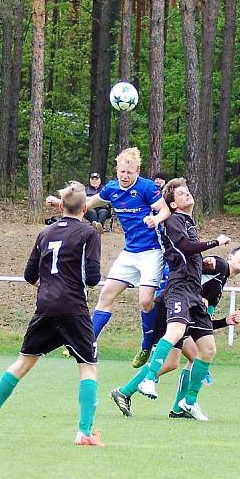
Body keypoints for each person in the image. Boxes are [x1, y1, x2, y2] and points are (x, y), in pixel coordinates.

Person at [0, 181, 105, 446]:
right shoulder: (89, 233)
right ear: (85, 208)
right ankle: (84, 432)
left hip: (45, 308)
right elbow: (92, 278)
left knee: (22, 363)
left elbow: (29, 276)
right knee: (88, 368)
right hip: (74, 309)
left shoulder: (45, 233)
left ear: (62, 206)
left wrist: (49, 287)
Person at [112, 178, 230, 421]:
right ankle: (147, 379)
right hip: (179, 288)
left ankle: (188, 402)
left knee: (207, 350)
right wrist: (214, 242)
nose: (187, 195)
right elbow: (185, 247)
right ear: (173, 204)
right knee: (175, 335)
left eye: (188, 191)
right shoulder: (175, 220)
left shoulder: (187, 221)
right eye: (181, 193)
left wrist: (204, 260)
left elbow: (189, 252)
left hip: (194, 292)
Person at [46, 147, 171, 356]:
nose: (125, 175)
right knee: (106, 295)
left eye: (129, 172)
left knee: (146, 300)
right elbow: (85, 204)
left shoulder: (147, 188)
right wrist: (60, 202)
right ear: (117, 169)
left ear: (137, 171)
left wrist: (156, 219)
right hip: (129, 252)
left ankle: (148, 344)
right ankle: (85, 343)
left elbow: (165, 210)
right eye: (122, 171)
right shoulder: (112, 189)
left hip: (152, 251)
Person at [112, 245, 240, 418]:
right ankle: (171, 402)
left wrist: (225, 321)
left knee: (178, 361)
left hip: (183, 316)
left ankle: (171, 406)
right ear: (230, 256)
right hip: (170, 307)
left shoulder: (219, 283)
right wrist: (204, 262)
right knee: (195, 356)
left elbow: (204, 325)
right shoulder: (220, 265)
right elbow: (189, 266)